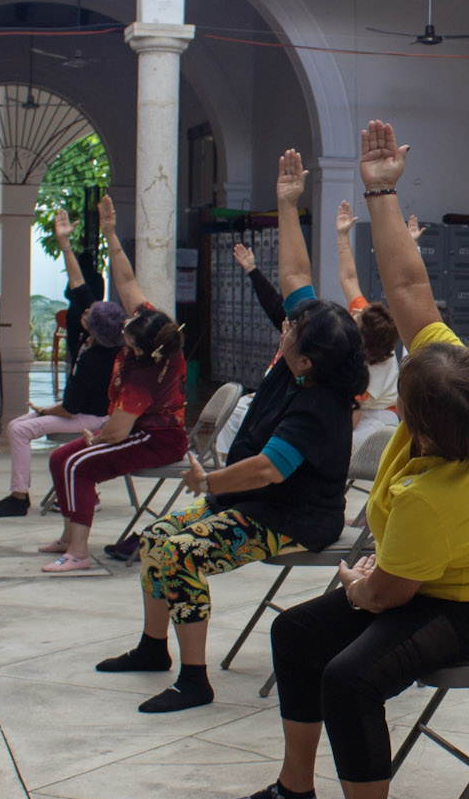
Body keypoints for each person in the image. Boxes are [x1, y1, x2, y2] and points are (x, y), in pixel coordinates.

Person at [235, 119, 469, 799]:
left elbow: (392, 591)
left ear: (426, 428)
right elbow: (409, 291)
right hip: (422, 572)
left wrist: (361, 584)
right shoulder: (457, 384)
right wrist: (381, 189)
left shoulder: (433, 496)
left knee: (350, 677)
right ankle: (296, 787)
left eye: (403, 400)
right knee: (295, 633)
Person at [97, 149, 366, 712]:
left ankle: (194, 680)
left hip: (288, 518)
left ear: (308, 358)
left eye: (293, 330)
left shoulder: (317, 406)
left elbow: (270, 469)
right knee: (153, 540)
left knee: (180, 555)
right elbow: (294, 276)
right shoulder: (305, 358)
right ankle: (153, 647)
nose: (285, 329)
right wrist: (288, 205)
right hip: (253, 501)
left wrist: (211, 483)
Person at [39, 196, 189, 573]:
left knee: (79, 465)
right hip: (136, 431)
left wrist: (94, 439)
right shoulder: (155, 329)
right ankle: (68, 535)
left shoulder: (143, 375)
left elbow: (117, 432)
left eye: (128, 338)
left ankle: (79, 552)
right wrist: (110, 234)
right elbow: (126, 280)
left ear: (142, 351)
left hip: (156, 440)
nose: (124, 332)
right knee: (61, 457)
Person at [0, 299, 124, 517]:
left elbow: (69, 408)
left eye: (90, 313)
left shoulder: (93, 358)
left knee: (19, 430)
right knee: (15, 425)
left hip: (93, 417)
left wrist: (43, 411)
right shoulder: (107, 349)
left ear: (96, 328)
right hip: (86, 410)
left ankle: (18, 497)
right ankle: (18, 492)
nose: (85, 312)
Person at [331, 203, 405, 447]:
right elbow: (349, 278)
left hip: (380, 421)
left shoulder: (367, 371)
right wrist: (342, 235)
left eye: (356, 318)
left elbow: (352, 416)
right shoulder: (368, 321)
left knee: (337, 448)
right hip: (367, 413)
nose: (353, 314)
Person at [52, 207, 107, 368]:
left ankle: (75, 362)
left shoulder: (77, 279)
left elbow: (68, 293)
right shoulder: (97, 277)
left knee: (73, 342)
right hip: (92, 313)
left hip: (75, 313)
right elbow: (100, 296)